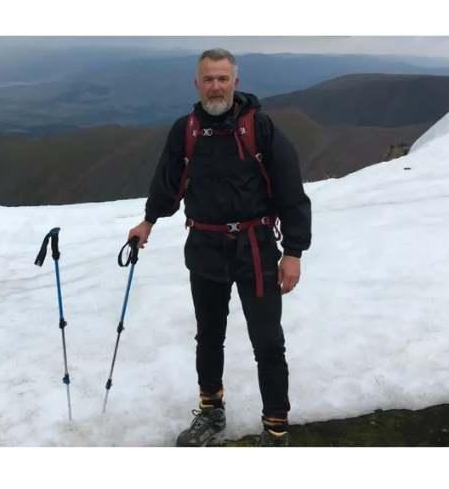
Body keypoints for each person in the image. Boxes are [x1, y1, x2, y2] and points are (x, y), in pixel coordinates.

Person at [127, 48, 312, 447]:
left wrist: (294, 252)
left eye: (222, 79)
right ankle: (211, 412)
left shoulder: (260, 128)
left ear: (235, 82)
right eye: (209, 79)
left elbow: (290, 191)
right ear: (197, 84)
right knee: (209, 336)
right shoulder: (187, 130)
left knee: (267, 340)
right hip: (205, 245)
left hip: (255, 247)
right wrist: (149, 221)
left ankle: (276, 427)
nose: (216, 86)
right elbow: (167, 181)